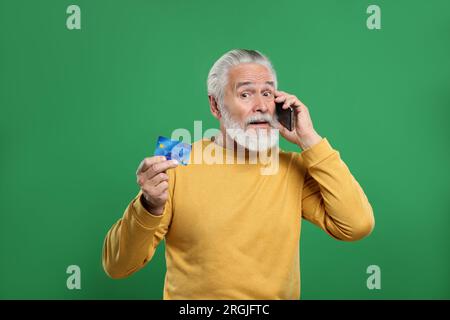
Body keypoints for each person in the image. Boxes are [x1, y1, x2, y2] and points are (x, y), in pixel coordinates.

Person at [102, 49, 375, 299]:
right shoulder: (177, 157)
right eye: (245, 94)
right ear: (215, 106)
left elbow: (357, 225)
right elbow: (117, 266)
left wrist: (310, 140)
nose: (261, 106)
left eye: (268, 93)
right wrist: (149, 206)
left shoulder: (292, 166)